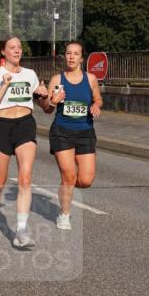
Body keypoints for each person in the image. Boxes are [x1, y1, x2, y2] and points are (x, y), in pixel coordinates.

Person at [0, 34, 51, 249]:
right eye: (12, 47)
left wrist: (45, 95)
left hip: (25, 125)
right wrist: (4, 85)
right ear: (3, 51)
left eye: (19, 47)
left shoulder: (30, 74)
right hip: (1, 127)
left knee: (25, 179)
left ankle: (21, 230)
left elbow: (45, 107)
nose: (17, 50)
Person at [47, 41, 103, 230]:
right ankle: (64, 214)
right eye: (68, 53)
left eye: (76, 54)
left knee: (86, 180)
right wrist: (53, 101)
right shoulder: (57, 79)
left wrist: (96, 105)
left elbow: (98, 98)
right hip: (62, 132)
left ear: (82, 58)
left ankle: (66, 186)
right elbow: (47, 108)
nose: (71, 57)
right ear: (65, 56)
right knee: (69, 175)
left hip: (85, 131)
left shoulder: (91, 79)